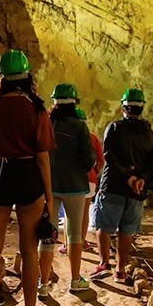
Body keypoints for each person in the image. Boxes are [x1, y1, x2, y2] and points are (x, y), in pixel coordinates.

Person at [0, 49, 55, 306]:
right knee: (29, 248)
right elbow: (43, 157)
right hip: (28, 175)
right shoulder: (36, 109)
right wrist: (49, 196)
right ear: (26, 76)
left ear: (3, 79)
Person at [90, 88, 153, 281]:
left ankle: (104, 263)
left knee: (103, 226)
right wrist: (141, 179)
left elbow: (109, 156)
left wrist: (128, 177)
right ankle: (120, 270)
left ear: (123, 107)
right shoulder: (150, 135)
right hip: (136, 192)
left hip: (114, 186)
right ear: (142, 109)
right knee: (127, 230)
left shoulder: (115, 128)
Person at [38, 84, 95, 297]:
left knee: (47, 234)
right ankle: (75, 279)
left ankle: (43, 284)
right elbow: (88, 160)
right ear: (74, 103)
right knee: (74, 234)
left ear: (54, 103)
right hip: (75, 187)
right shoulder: (80, 127)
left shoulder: (46, 124)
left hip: (49, 187)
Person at [59, 107, 105, 254]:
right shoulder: (92, 137)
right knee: (84, 212)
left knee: (68, 213)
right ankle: (81, 241)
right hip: (89, 179)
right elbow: (101, 160)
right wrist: (94, 172)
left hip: (69, 178)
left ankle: (67, 244)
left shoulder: (64, 135)